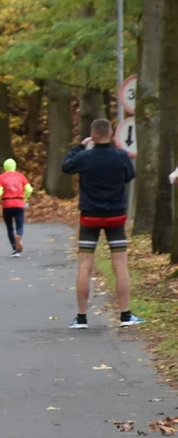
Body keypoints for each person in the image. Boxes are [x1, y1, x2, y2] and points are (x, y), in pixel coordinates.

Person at [61, 119, 144, 328]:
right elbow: (129, 176)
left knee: (85, 265)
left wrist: (80, 146)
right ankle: (125, 315)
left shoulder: (85, 157)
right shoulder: (121, 156)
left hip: (90, 216)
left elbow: (66, 166)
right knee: (120, 264)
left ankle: (81, 317)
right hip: (116, 216)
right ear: (112, 134)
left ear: (93, 135)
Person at [0, 158, 33, 257]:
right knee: (19, 224)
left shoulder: (1, 177)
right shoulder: (21, 176)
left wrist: (0, 195)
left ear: (4, 166)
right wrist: (25, 198)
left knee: (9, 227)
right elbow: (29, 189)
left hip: (7, 204)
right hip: (19, 202)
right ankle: (19, 235)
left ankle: (15, 248)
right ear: (15, 166)